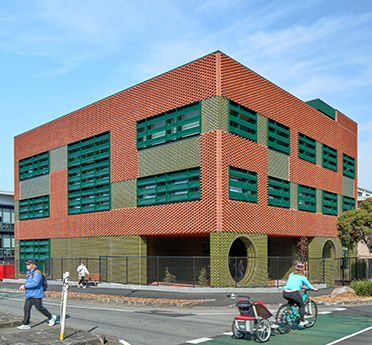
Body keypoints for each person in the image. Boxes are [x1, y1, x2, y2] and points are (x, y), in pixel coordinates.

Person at [17, 260, 56, 330]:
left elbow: (35, 283)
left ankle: (51, 317)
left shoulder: (37, 273)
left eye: (29, 264)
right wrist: (25, 285)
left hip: (36, 294)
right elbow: (29, 282)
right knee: (26, 308)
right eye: (26, 264)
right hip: (30, 294)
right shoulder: (29, 273)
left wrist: (25, 286)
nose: (27, 265)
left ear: (33, 265)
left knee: (39, 307)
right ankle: (26, 324)